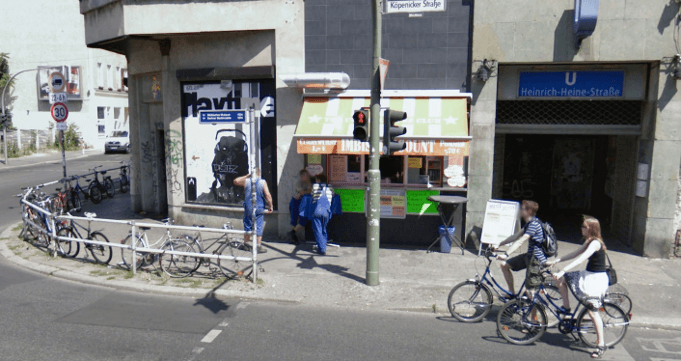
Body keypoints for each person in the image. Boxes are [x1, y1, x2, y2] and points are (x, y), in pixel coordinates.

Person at [546, 216, 610, 359]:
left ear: (591, 229)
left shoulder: (595, 243)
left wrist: (563, 270)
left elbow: (580, 259)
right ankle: (567, 309)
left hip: (595, 279)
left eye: (584, 226)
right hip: (588, 274)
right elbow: (575, 254)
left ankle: (601, 345)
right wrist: (556, 261)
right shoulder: (589, 241)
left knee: (593, 312)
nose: (581, 228)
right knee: (561, 279)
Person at [492, 200, 547, 295]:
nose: (520, 211)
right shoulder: (529, 223)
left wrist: (506, 254)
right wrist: (498, 244)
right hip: (529, 256)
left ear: (528, 211)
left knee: (530, 293)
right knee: (504, 265)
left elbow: (521, 241)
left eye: (522, 209)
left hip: (536, 260)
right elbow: (515, 236)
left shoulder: (534, 224)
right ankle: (511, 293)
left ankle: (535, 308)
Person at [233, 169, 273, 254]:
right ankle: (258, 246)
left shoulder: (246, 181)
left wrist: (247, 176)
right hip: (259, 206)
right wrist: (270, 206)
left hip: (249, 207)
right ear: (259, 173)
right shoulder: (263, 182)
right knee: (259, 224)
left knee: (248, 224)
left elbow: (236, 181)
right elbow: (268, 195)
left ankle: (246, 244)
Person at [309, 174, 334, 256]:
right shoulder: (329, 187)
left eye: (316, 179)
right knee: (323, 229)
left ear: (318, 180)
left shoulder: (315, 186)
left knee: (318, 230)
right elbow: (333, 195)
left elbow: (312, 195)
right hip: (326, 211)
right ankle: (323, 245)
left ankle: (322, 249)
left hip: (317, 211)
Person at [287, 169, 312, 245]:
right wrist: (307, 191)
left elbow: (310, 190)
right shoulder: (298, 183)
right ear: (302, 176)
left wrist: (308, 189)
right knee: (294, 219)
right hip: (295, 202)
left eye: (308, 175)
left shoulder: (308, 183)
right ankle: (293, 236)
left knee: (304, 220)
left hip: (303, 203)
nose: (307, 177)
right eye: (306, 175)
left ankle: (292, 233)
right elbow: (302, 192)